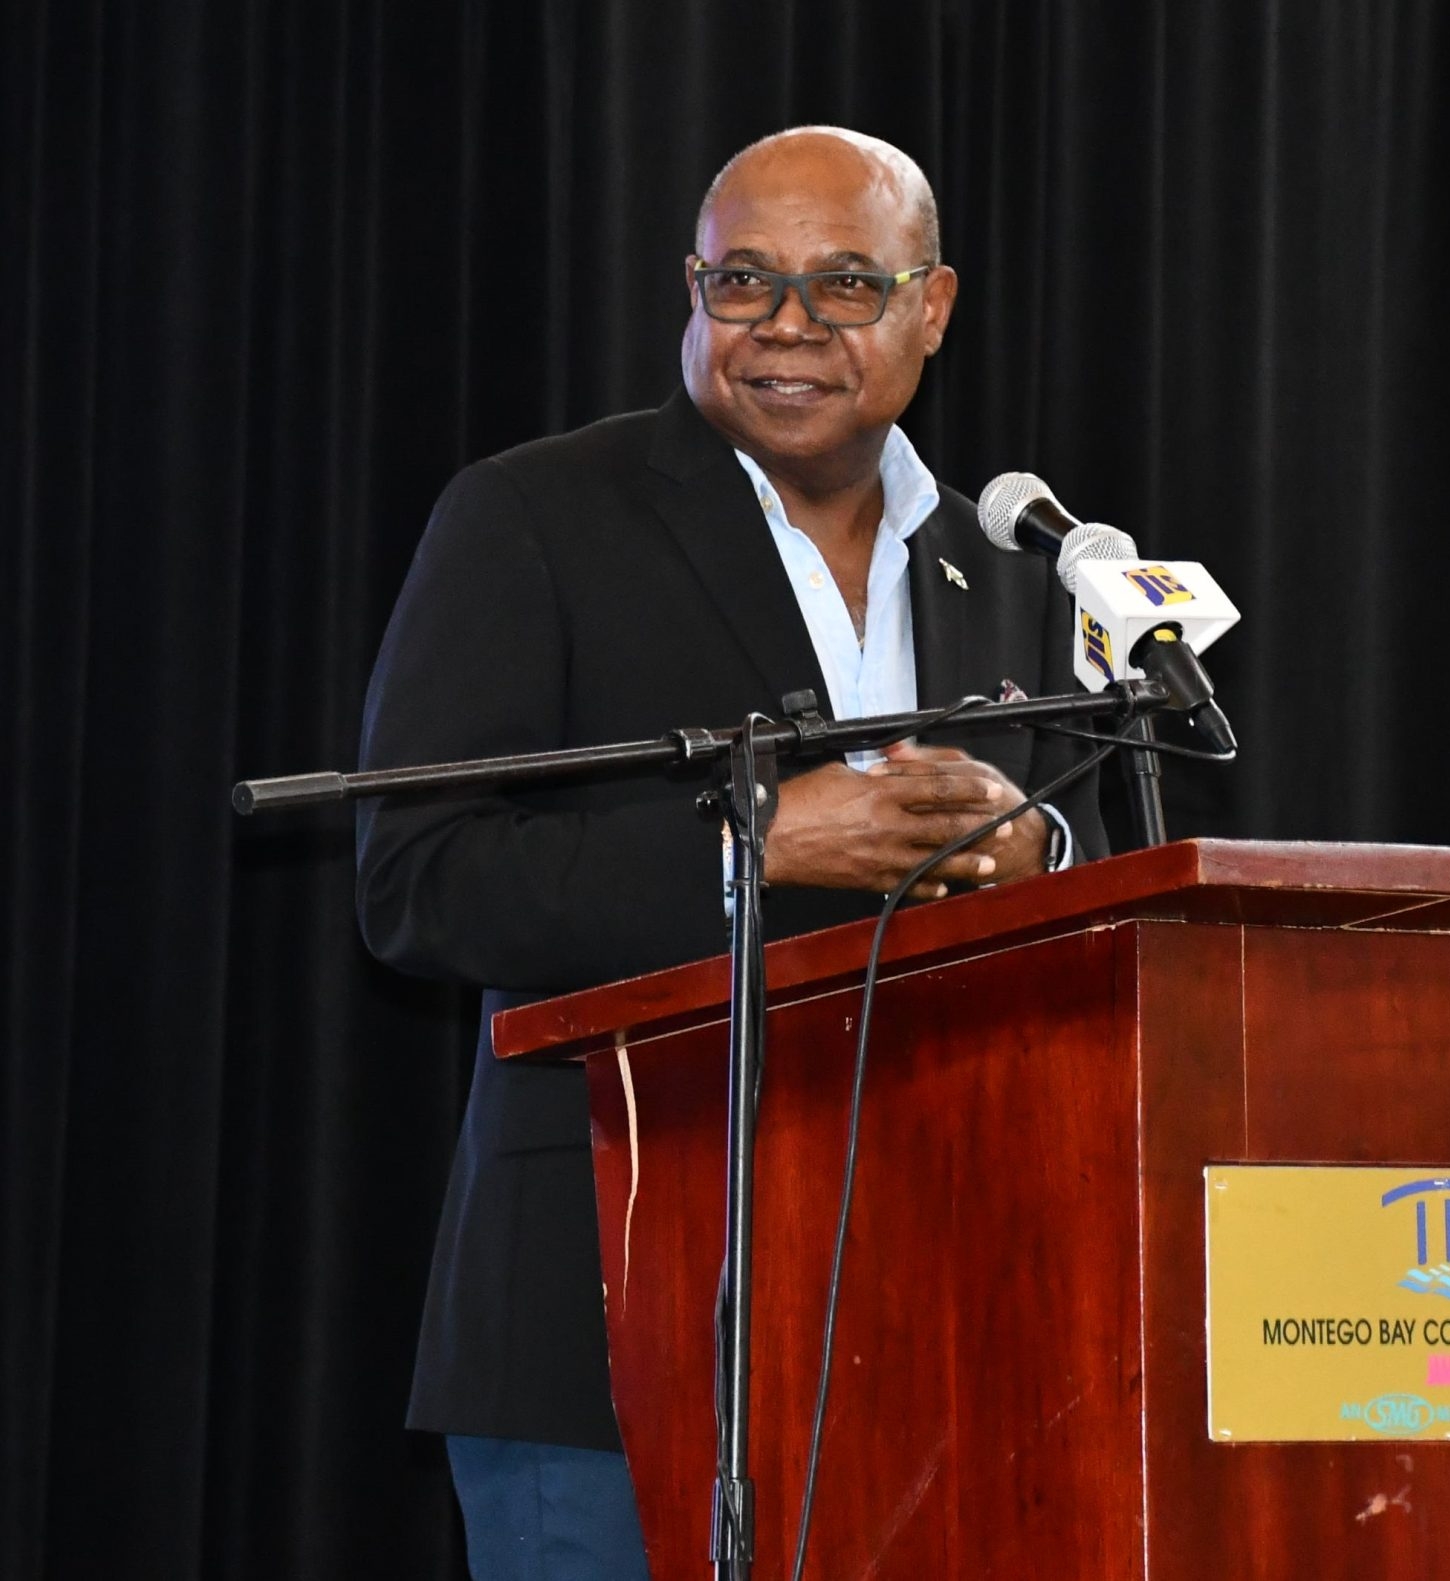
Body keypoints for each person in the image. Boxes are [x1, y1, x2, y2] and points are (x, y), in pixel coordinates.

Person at [355, 126, 1108, 1581]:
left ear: (931, 306)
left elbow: (1096, 891)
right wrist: (750, 843)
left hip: (941, 1316)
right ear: (690, 292)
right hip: (606, 1313)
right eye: (744, 281)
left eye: (843, 286)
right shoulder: (537, 517)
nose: (787, 328)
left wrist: (1037, 849)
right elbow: (419, 878)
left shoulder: (1007, 575)